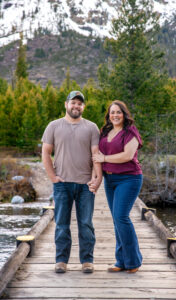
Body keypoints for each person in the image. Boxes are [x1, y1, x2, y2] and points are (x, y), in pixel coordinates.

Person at [42, 90, 102, 274]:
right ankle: (61, 260)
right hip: (62, 184)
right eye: (73, 102)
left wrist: (96, 178)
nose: (76, 106)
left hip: (85, 185)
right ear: (66, 104)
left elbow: (96, 155)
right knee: (61, 223)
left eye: (79, 103)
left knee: (86, 223)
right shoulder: (53, 126)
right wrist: (53, 177)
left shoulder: (92, 127)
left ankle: (87, 261)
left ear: (83, 107)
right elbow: (45, 153)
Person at [92, 100, 143, 273]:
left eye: (118, 112)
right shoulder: (105, 131)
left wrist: (104, 159)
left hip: (129, 178)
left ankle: (133, 261)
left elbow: (127, 155)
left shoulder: (130, 132)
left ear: (124, 114)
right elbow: (96, 155)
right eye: (112, 112)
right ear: (109, 115)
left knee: (121, 217)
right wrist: (96, 177)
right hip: (110, 180)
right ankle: (120, 261)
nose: (115, 115)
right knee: (116, 220)